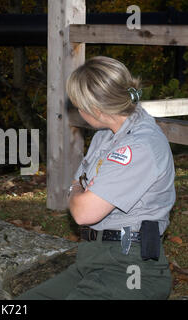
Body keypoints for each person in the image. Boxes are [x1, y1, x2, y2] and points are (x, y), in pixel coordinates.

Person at [16, 56, 175, 300]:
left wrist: (76, 189)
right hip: (93, 260)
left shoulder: (139, 146)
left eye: (78, 104)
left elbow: (83, 213)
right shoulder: (106, 135)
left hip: (131, 268)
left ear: (94, 109)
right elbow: (80, 186)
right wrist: (79, 189)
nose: (77, 110)